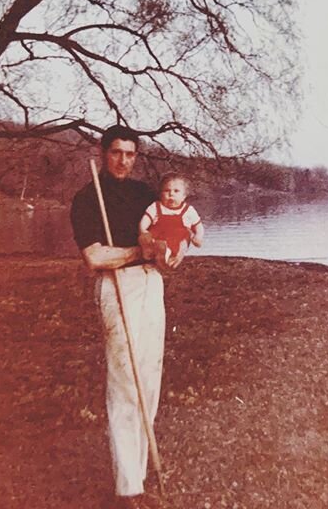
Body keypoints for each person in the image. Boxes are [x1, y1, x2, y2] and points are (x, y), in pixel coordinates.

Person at [70, 125, 173, 508]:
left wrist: (165, 251)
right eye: (116, 152)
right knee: (125, 382)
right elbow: (95, 257)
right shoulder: (86, 198)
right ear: (103, 152)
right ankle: (128, 490)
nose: (123, 160)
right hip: (116, 286)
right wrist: (135, 254)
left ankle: (141, 475)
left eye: (130, 154)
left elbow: (162, 241)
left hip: (150, 286)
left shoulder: (146, 195)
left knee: (149, 379)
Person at [138, 172, 204, 268]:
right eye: (166, 191)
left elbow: (198, 226)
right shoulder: (156, 206)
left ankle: (162, 254)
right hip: (157, 235)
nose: (171, 194)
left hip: (176, 239)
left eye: (176, 191)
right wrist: (143, 230)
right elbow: (145, 220)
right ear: (161, 194)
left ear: (184, 196)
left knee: (176, 242)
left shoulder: (188, 210)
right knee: (150, 238)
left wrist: (198, 237)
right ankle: (148, 248)